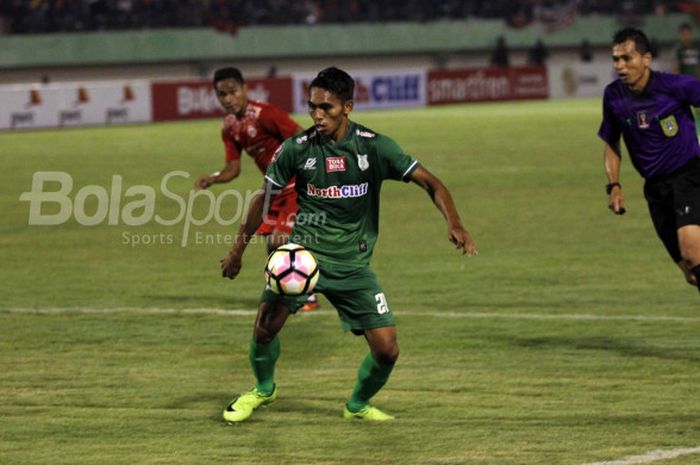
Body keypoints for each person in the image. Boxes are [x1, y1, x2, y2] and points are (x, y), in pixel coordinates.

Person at [220, 66, 478, 422]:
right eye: (312, 107)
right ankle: (263, 390)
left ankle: (357, 405)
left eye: (326, 107)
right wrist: (237, 251)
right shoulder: (296, 149)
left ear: (348, 107)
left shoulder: (375, 147)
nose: (317, 115)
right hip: (304, 257)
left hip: (353, 265)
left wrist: (455, 222)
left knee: (387, 350)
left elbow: (431, 183)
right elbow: (261, 200)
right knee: (264, 326)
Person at [196, 67, 320, 311]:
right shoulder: (230, 126)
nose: (228, 99)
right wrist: (213, 178)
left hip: (297, 184)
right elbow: (233, 168)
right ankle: (289, 290)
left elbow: (302, 137)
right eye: (222, 95)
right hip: (274, 190)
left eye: (232, 92)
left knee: (280, 240)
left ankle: (308, 295)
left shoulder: (266, 114)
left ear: (245, 89)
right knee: (273, 245)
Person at [598, 27, 700, 291]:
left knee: (692, 254)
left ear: (646, 59)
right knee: (692, 273)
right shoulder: (613, 96)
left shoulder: (676, 86)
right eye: (616, 59)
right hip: (655, 189)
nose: (620, 66)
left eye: (627, 58)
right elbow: (611, 141)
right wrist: (614, 185)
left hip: (688, 176)